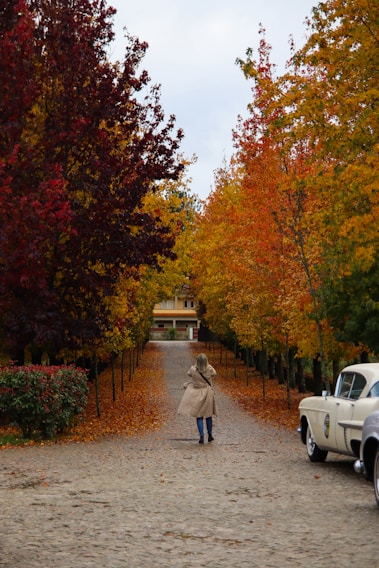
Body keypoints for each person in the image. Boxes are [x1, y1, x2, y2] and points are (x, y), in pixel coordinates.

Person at [177, 353, 218, 444]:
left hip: (196, 394)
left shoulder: (193, 369)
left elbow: (188, 373)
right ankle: (210, 435)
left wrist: (195, 366)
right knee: (208, 415)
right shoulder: (209, 369)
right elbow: (214, 373)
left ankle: (201, 436)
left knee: (199, 416)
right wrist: (208, 365)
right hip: (207, 393)